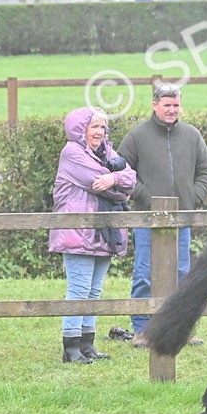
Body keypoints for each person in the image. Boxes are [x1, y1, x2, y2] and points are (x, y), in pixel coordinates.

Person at [118, 83, 207, 348]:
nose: (172, 110)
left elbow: (206, 169)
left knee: (181, 275)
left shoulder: (192, 135)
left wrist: (193, 197)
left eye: (176, 105)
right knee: (144, 274)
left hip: (181, 220)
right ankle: (142, 330)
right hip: (146, 220)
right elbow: (122, 173)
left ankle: (178, 330)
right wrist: (145, 197)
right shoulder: (137, 136)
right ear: (154, 105)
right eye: (167, 105)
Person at [49, 107, 136, 363]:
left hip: (103, 231)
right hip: (78, 231)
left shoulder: (108, 151)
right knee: (79, 289)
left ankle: (87, 345)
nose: (100, 132)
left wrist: (114, 180)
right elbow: (97, 183)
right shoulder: (72, 152)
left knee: (94, 291)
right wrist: (117, 183)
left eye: (102, 127)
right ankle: (71, 348)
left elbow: (131, 179)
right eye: (94, 126)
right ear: (81, 129)